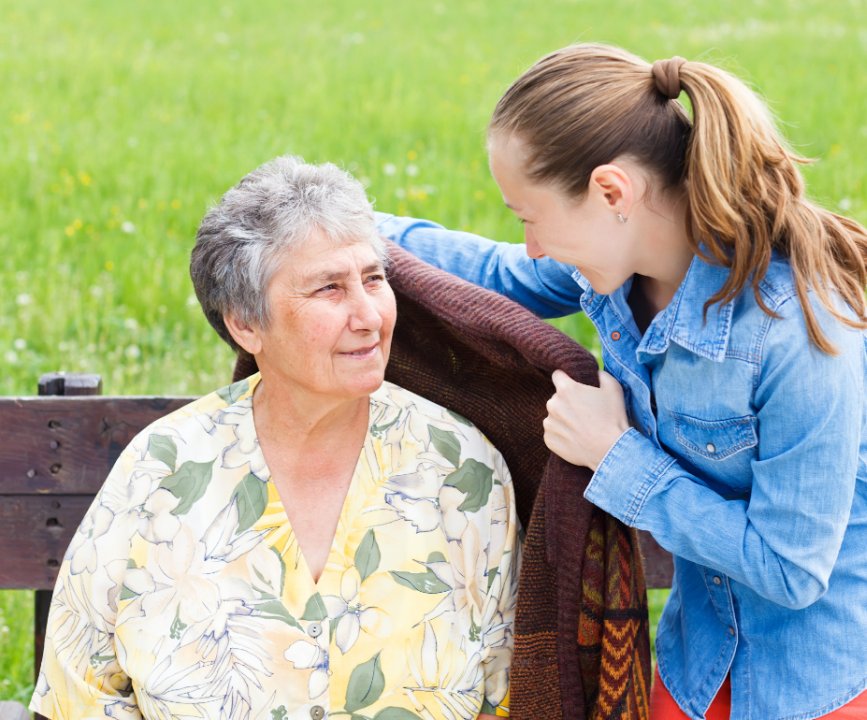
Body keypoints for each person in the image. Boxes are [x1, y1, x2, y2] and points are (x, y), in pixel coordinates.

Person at [376, 44, 867, 719]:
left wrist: (616, 457)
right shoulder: (617, 262)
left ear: (613, 192)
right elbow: (495, 274)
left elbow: (792, 571)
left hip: (843, 666)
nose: (530, 244)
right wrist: (343, 227)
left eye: (530, 217)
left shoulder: (798, 327)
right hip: (704, 654)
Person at [30, 156, 519, 720]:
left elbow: (501, 695)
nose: (368, 315)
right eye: (329, 289)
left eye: (373, 280)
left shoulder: (461, 468)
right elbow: (79, 692)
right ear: (245, 323)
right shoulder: (162, 468)